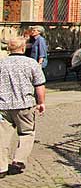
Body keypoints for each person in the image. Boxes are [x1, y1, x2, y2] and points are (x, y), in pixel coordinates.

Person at [0, 37, 46, 177]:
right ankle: (18, 161)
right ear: (23, 48)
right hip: (25, 105)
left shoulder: (1, 63)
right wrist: (41, 102)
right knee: (27, 133)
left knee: (2, 137)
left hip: (3, 106)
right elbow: (39, 85)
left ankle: (1, 167)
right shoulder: (31, 64)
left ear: (9, 49)